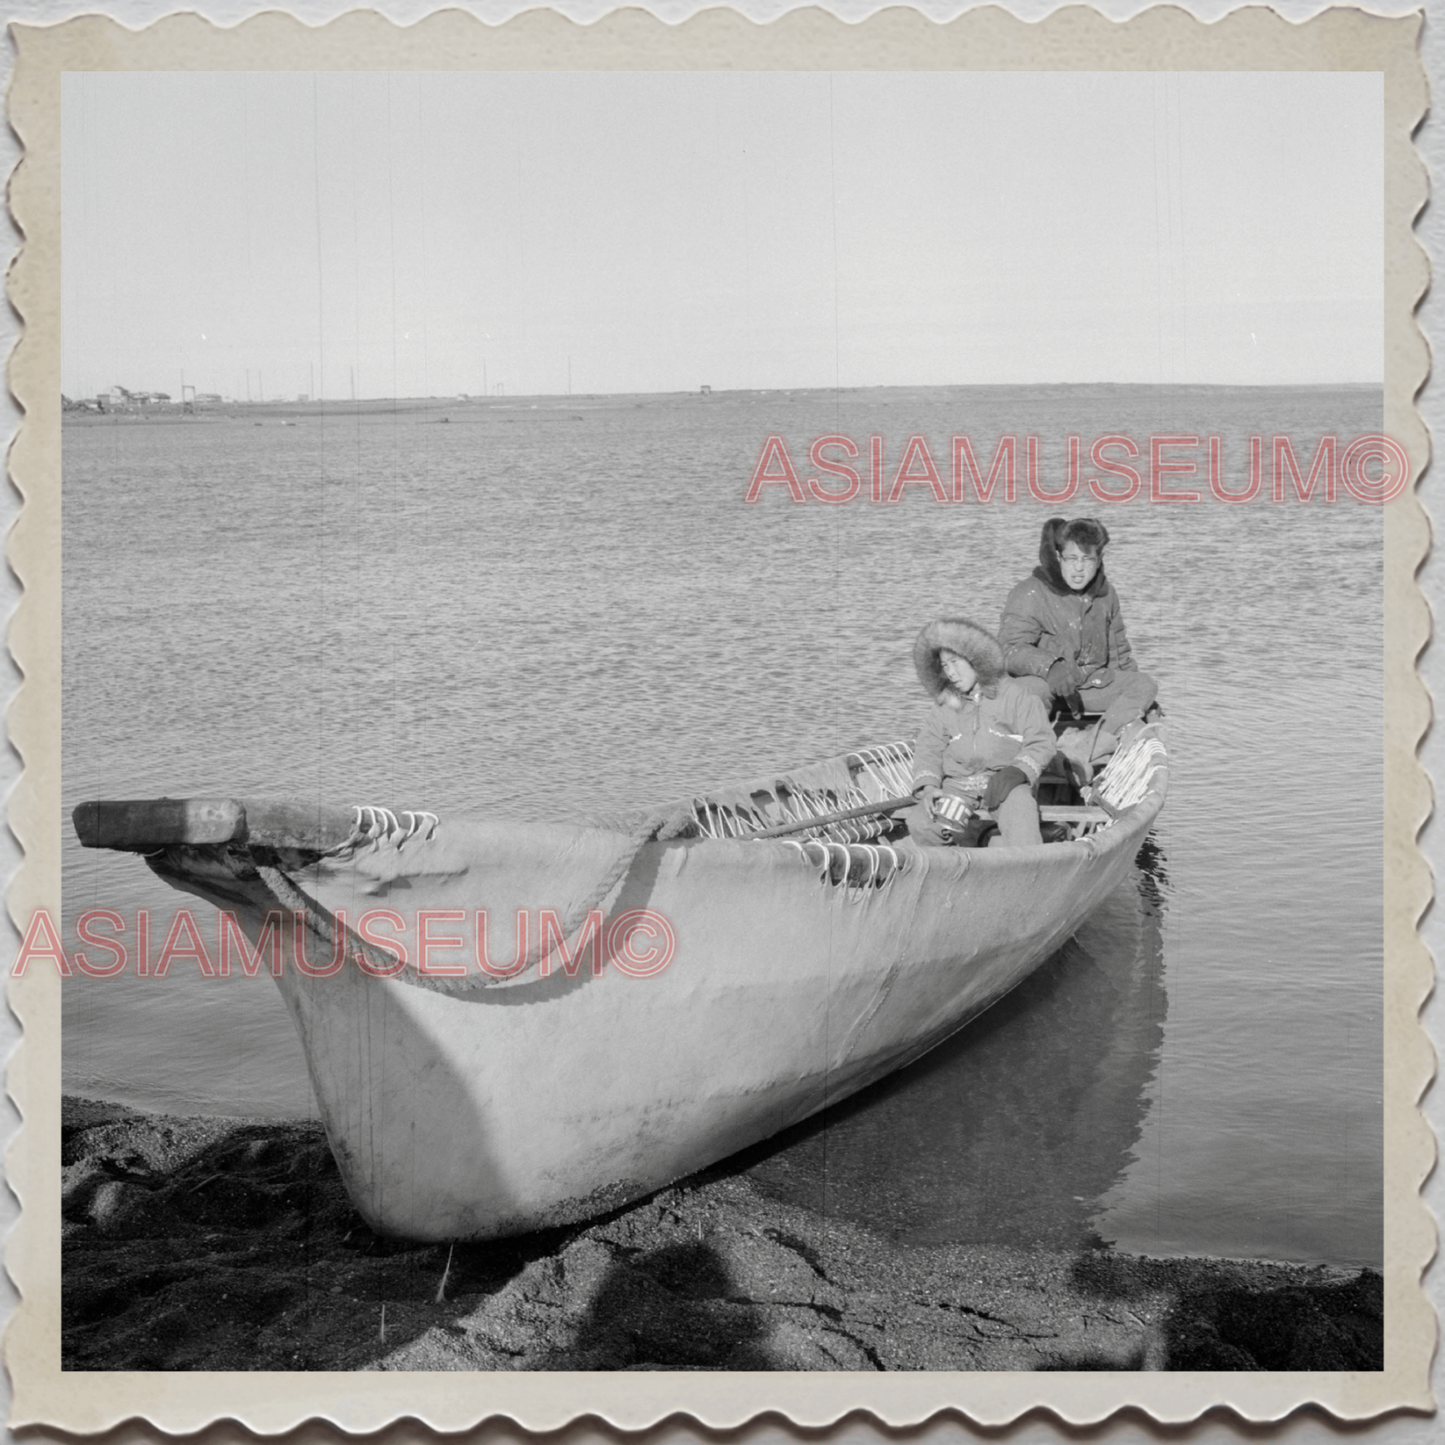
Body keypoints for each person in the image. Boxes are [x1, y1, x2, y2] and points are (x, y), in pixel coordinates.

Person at [998, 517, 1158, 744]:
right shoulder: (1029, 592)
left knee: (1145, 684)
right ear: (1058, 557)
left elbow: (1119, 654)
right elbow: (1009, 649)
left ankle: (1092, 747)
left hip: (1088, 688)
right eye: (1071, 558)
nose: (1079, 567)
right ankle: (1033, 752)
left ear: (1099, 559)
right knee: (1030, 692)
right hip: (1043, 686)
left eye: (1087, 559)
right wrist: (1050, 667)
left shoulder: (1106, 594)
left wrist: (1141, 704)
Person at [904, 617, 1055, 848]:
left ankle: (1029, 872)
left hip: (1006, 784)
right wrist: (929, 787)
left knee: (1022, 820)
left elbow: (1042, 742)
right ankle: (953, 871)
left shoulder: (1017, 696)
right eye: (944, 666)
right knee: (921, 823)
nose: (951, 672)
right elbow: (929, 747)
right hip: (958, 786)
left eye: (955, 662)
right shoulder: (944, 704)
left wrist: (1017, 772)